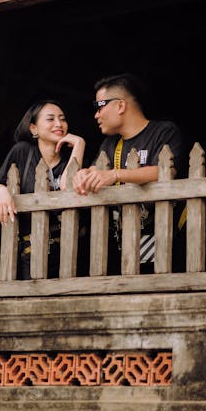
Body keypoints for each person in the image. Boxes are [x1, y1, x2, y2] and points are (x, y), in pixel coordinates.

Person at [73, 73, 184, 273]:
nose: (96, 115)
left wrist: (116, 175)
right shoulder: (110, 144)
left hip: (164, 237)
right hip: (122, 242)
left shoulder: (164, 131)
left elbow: (166, 171)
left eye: (100, 106)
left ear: (121, 105)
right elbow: (96, 170)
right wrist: (83, 175)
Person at [0, 99, 86, 280]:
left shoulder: (72, 156)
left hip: (73, 250)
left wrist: (79, 144)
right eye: (50, 119)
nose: (59, 124)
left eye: (62, 119)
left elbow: (68, 187)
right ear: (33, 129)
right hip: (32, 250)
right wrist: (2, 191)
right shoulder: (22, 151)